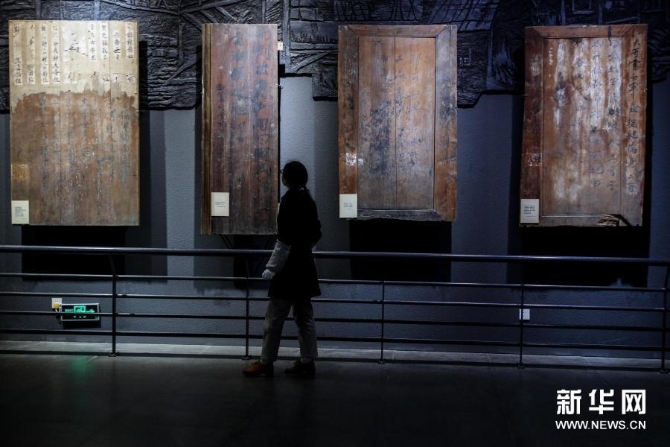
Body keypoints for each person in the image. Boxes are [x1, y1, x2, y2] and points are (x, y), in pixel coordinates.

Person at [243, 161, 322, 377]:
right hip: (305, 267)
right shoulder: (309, 200)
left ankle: (266, 361)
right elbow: (316, 233)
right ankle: (307, 361)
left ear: (287, 178)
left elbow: (284, 241)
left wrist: (271, 268)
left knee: (274, 318)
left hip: (288, 271)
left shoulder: (288, 201)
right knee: (305, 317)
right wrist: (304, 249)